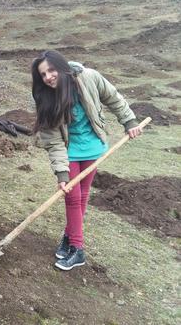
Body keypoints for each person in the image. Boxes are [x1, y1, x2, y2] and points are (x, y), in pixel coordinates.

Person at [31, 50, 143, 270]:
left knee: (82, 196)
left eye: (51, 71)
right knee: (72, 198)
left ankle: (75, 245)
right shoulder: (45, 98)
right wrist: (62, 174)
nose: (48, 77)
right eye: (43, 75)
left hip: (93, 148)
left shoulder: (88, 77)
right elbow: (53, 142)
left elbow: (113, 97)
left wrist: (129, 121)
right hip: (69, 151)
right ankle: (75, 242)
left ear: (61, 67)